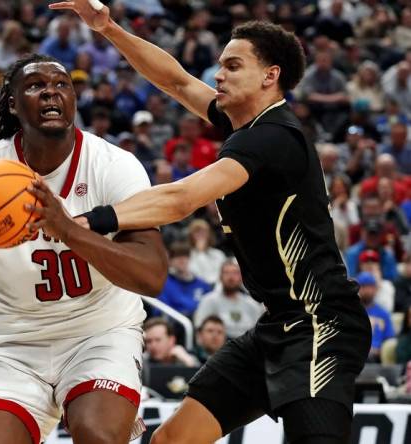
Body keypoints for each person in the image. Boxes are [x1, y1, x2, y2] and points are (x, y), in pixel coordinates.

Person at [39, 5, 371, 443]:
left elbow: (182, 197)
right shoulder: (249, 126)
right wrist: (109, 29)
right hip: (278, 324)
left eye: (233, 66)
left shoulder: (274, 137)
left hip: (321, 324)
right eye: (219, 66)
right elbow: (176, 81)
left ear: (270, 76)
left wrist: (84, 222)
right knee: (169, 441)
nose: (218, 76)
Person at [0, 53, 167, 444]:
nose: (50, 92)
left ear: (74, 100)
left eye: (61, 85)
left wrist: (66, 228)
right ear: (13, 104)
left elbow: (152, 275)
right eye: (35, 86)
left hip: (99, 333)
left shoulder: (114, 165)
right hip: (13, 341)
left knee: (98, 435)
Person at [193, 261, 264, 338]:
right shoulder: (209, 300)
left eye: (235, 273)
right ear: (220, 277)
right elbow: (200, 330)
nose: (231, 277)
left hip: (248, 346)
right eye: (226, 273)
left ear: (241, 277)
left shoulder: (252, 304)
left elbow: (259, 332)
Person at [357, 271, 394, 363]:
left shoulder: (383, 313)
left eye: (370, 287)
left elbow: (390, 338)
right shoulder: (351, 311)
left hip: (377, 358)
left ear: (375, 289)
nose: (367, 290)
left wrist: (378, 350)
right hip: (355, 355)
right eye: (363, 286)